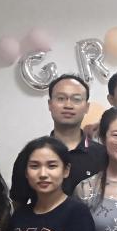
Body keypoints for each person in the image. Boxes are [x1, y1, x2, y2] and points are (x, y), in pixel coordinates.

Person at [11, 74, 106, 206]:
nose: (68, 105)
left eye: (76, 99)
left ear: (87, 107)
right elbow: (18, 205)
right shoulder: (30, 155)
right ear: (50, 104)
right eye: (61, 98)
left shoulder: (103, 155)